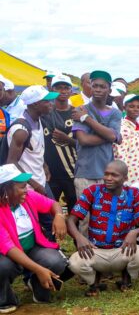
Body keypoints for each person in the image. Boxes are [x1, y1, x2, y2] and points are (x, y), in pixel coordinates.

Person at [67, 160, 139, 296]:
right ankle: (94, 282)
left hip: (122, 251)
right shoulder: (93, 191)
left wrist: (134, 232)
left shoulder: (134, 194)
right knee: (74, 263)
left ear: (125, 178)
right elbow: (71, 220)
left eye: (114, 175)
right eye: (106, 174)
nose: (108, 178)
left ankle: (126, 277)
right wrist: (79, 237)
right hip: (96, 251)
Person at [0, 165, 71, 312]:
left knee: (56, 261)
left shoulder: (29, 198)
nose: (26, 190)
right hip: (8, 254)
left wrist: (59, 216)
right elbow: (8, 247)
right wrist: (39, 269)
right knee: (3, 267)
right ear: (6, 190)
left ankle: (37, 286)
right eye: (22, 187)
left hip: (32, 247)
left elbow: (53, 204)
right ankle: (5, 299)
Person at [72, 71, 122, 236]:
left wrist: (86, 119)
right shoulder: (80, 109)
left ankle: (103, 247)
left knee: (105, 215)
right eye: (95, 86)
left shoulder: (114, 113)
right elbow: (84, 140)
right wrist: (110, 136)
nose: (98, 89)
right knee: (85, 218)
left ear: (109, 90)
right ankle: (85, 249)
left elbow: (113, 136)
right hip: (85, 172)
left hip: (107, 174)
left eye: (102, 86)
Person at [5, 86, 55, 197]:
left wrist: (44, 165)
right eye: (46, 101)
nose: (51, 104)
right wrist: (35, 185)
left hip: (40, 180)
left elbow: (36, 149)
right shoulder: (21, 130)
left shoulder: (38, 119)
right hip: (27, 189)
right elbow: (11, 162)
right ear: (35, 104)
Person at [42, 74, 79, 214]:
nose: (62, 91)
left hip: (72, 172)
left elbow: (84, 144)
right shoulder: (44, 114)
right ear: (52, 89)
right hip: (49, 173)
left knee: (74, 212)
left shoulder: (77, 113)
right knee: (48, 211)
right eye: (58, 88)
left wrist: (67, 139)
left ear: (71, 91)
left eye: (66, 88)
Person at [114, 94, 139, 186]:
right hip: (125, 175)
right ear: (124, 108)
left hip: (138, 174)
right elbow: (119, 154)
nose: (136, 109)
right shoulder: (122, 127)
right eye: (132, 106)